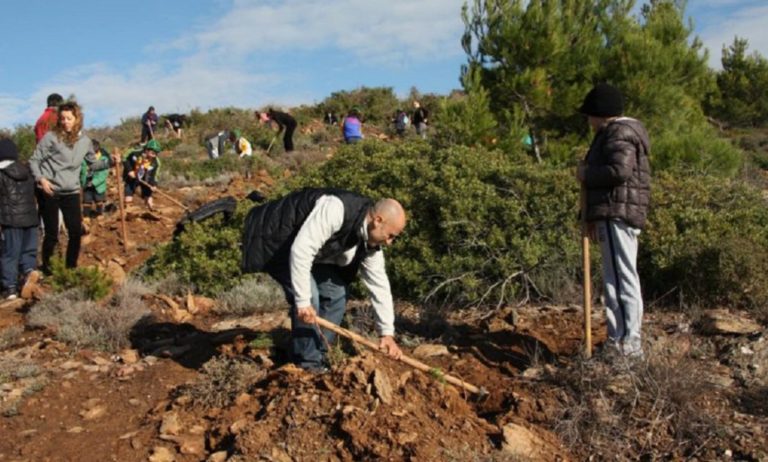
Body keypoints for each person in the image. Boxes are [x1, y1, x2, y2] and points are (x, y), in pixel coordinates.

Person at [241, 188, 406, 372]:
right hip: (278, 241)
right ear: (378, 221)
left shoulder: (371, 244)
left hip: (313, 253)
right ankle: (307, 365)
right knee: (309, 296)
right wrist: (303, 302)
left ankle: (316, 355)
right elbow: (301, 251)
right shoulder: (336, 209)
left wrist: (387, 334)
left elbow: (379, 285)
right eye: (391, 236)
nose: (390, 242)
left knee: (337, 294)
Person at [576, 83, 651, 359]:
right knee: (615, 278)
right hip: (612, 213)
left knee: (621, 279)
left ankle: (628, 348)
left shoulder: (618, 133)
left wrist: (587, 174)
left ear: (600, 114)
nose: (588, 120)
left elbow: (619, 171)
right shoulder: (613, 133)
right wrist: (592, 217)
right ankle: (617, 341)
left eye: (590, 114)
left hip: (617, 213)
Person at [30, 102, 111, 273]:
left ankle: (70, 268)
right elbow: (34, 160)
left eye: (69, 118)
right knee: (52, 233)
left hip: (72, 191)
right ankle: (48, 269)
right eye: (62, 118)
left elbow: (92, 164)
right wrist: (42, 180)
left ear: (77, 119)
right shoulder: (51, 137)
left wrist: (110, 162)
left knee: (75, 232)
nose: (65, 122)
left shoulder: (85, 141)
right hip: (50, 190)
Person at [0, 139, 40, 300]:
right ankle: (29, 277)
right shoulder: (27, 172)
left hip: (11, 221)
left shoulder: (1, 174)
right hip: (31, 218)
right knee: (28, 252)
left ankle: (10, 288)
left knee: (10, 254)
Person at [124, 139, 161, 210]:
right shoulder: (135, 152)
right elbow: (124, 157)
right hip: (132, 177)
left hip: (145, 179)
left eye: (156, 153)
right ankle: (128, 212)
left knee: (149, 198)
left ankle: (151, 210)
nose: (154, 155)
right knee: (128, 198)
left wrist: (154, 185)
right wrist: (129, 170)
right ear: (147, 150)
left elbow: (155, 176)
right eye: (153, 153)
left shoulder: (156, 162)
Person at [81, 139, 114, 217]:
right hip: (86, 182)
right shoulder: (84, 158)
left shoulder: (104, 159)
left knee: (99, 200)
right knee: (86, 200)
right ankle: (86, 216)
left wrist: (94, 182)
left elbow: (103, 174)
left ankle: (100, 214)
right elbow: (81, 170)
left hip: (98, 185)